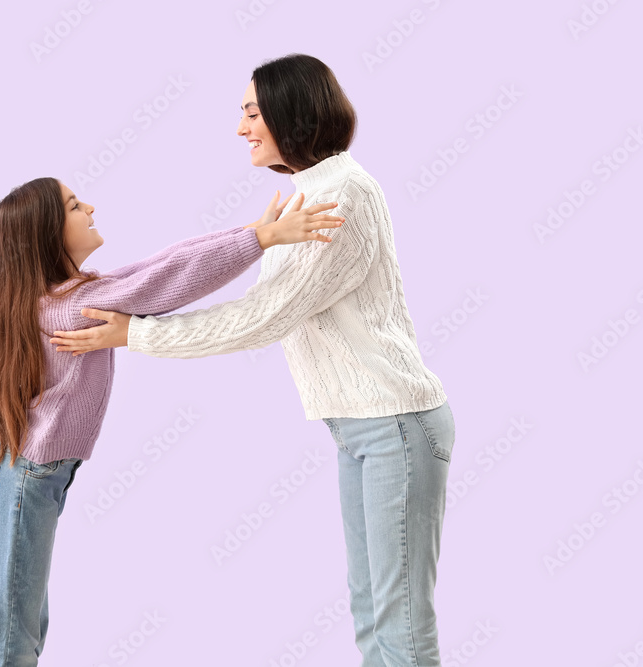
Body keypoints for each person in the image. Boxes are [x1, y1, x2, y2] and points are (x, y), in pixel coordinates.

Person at [48, 53, 456, 667]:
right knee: (373, 613)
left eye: (251, 112)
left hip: (395, 423)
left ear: (293, 113)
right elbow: (239, 283)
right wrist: (248, 241)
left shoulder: (337, 198)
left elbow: (264, 315)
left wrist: (137, 335)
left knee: (399, 625)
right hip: (364, 428)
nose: (240, 128)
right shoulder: (307, 195)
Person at [0, 175, 344, 667]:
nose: (91, 206)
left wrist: (252, 231)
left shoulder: (67, 295)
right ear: (47, 233)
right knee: (11, 644)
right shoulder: (72, 308)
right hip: (22, 484)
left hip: (23, 479)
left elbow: (161, 263)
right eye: (75, 205)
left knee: (23, 629)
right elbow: (167, 280)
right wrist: (261, 239)